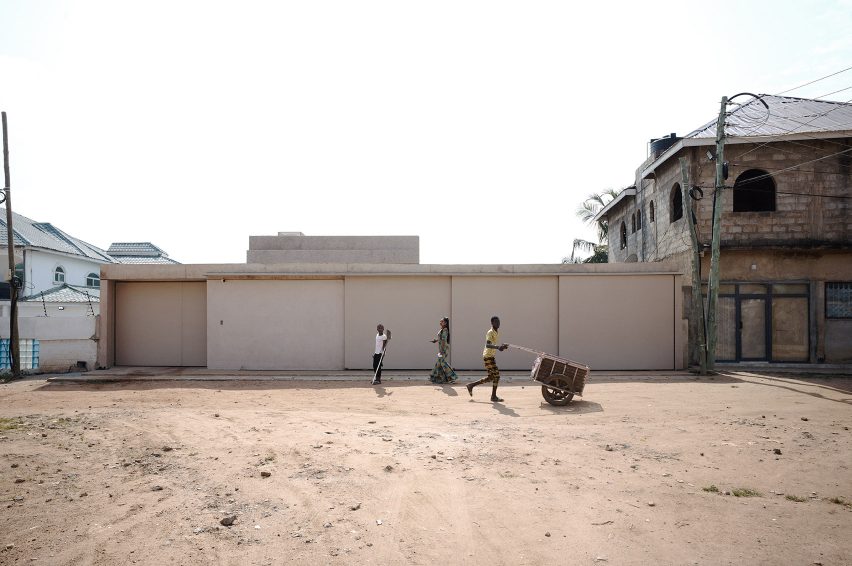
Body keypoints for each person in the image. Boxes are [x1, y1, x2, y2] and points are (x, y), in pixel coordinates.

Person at [466, 315, 508, 402]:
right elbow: (488, 345)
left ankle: (471, 385)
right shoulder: (490, 332)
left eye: (499, 321)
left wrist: (502, 347)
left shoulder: (496, 332)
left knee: (491, 377)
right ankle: (493, 396)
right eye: (496, 322)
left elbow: (494, 346)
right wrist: (498, 347)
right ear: (492, 323)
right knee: (497, 376)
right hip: (488, 356)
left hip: (490, 356)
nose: (498, 323)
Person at [429, 317, 457, 384]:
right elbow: (441, 339)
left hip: (443, 349)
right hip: (441, 348)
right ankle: (438, 378)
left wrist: (442, 350)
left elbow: (444, 340)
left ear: (445, 323)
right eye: (440, 321)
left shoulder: (445, 330)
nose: (440, 322)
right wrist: (436, 340)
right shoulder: (442, 330)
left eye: (442, 321)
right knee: (439, 363)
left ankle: (452, 377)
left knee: (442, 363)